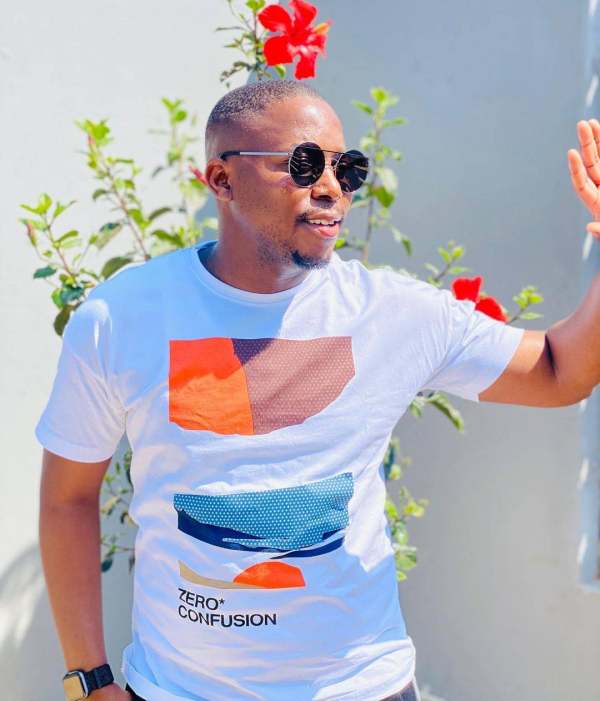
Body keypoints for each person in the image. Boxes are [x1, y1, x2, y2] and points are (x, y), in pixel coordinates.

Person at [37, 79, 600, 701]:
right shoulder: (122, 315)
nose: (332, 187)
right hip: (178, 689)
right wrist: (90, 680)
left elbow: (559, 370)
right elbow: (67, 499)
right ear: (222, 180)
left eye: (347, 168)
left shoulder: (394, 313)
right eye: (303, 164)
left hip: (362, 689)